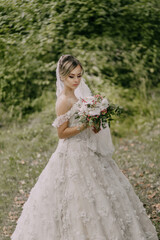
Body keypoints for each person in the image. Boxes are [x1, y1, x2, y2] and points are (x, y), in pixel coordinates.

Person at [11, 55, 158, 240]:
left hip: (88, 149)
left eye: (79, 75)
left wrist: (97, 119)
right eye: (71, 76)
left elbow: (92, 127)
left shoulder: (81, 96)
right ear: (62, 76)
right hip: (71, 152)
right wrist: (85, 124)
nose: (76, 80)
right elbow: (62, 133)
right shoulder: (63, 100)